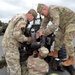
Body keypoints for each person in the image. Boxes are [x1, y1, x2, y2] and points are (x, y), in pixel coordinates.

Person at [2, 9, 37, 75]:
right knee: (16, 70)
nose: (32, 20)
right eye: (33, 18)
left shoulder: (18, 16)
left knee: (11, 67)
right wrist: (28, 39)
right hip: (11, 47)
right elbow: (17, 35)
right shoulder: (23, 20)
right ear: (30, 15)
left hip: (7, 45)